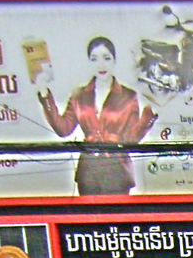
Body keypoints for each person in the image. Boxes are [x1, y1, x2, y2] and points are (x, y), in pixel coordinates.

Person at [36, 37, 157, 195]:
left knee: (116, 211)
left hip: (117, 171)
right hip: (89, 172)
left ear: (114, 61)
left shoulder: (128, 96)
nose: (101, 65)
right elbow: (63, 129)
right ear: (89, 62)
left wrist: (149, 115)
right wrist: (44, 93)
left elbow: (131, 138)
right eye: (94, 59)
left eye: (106, 58)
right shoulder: (79, 95)